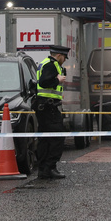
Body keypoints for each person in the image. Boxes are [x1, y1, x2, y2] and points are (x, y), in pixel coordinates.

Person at [35, 45, 70, 180]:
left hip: (44, 106)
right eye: (64, 57)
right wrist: (57, 80)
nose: (65, 60)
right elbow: (44, 82)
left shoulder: (45, 63)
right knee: (57, 137)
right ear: (59, 55)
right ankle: (50, 167)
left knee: (45, 138)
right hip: (49, 107)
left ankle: (43, 169)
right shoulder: (51, 65)